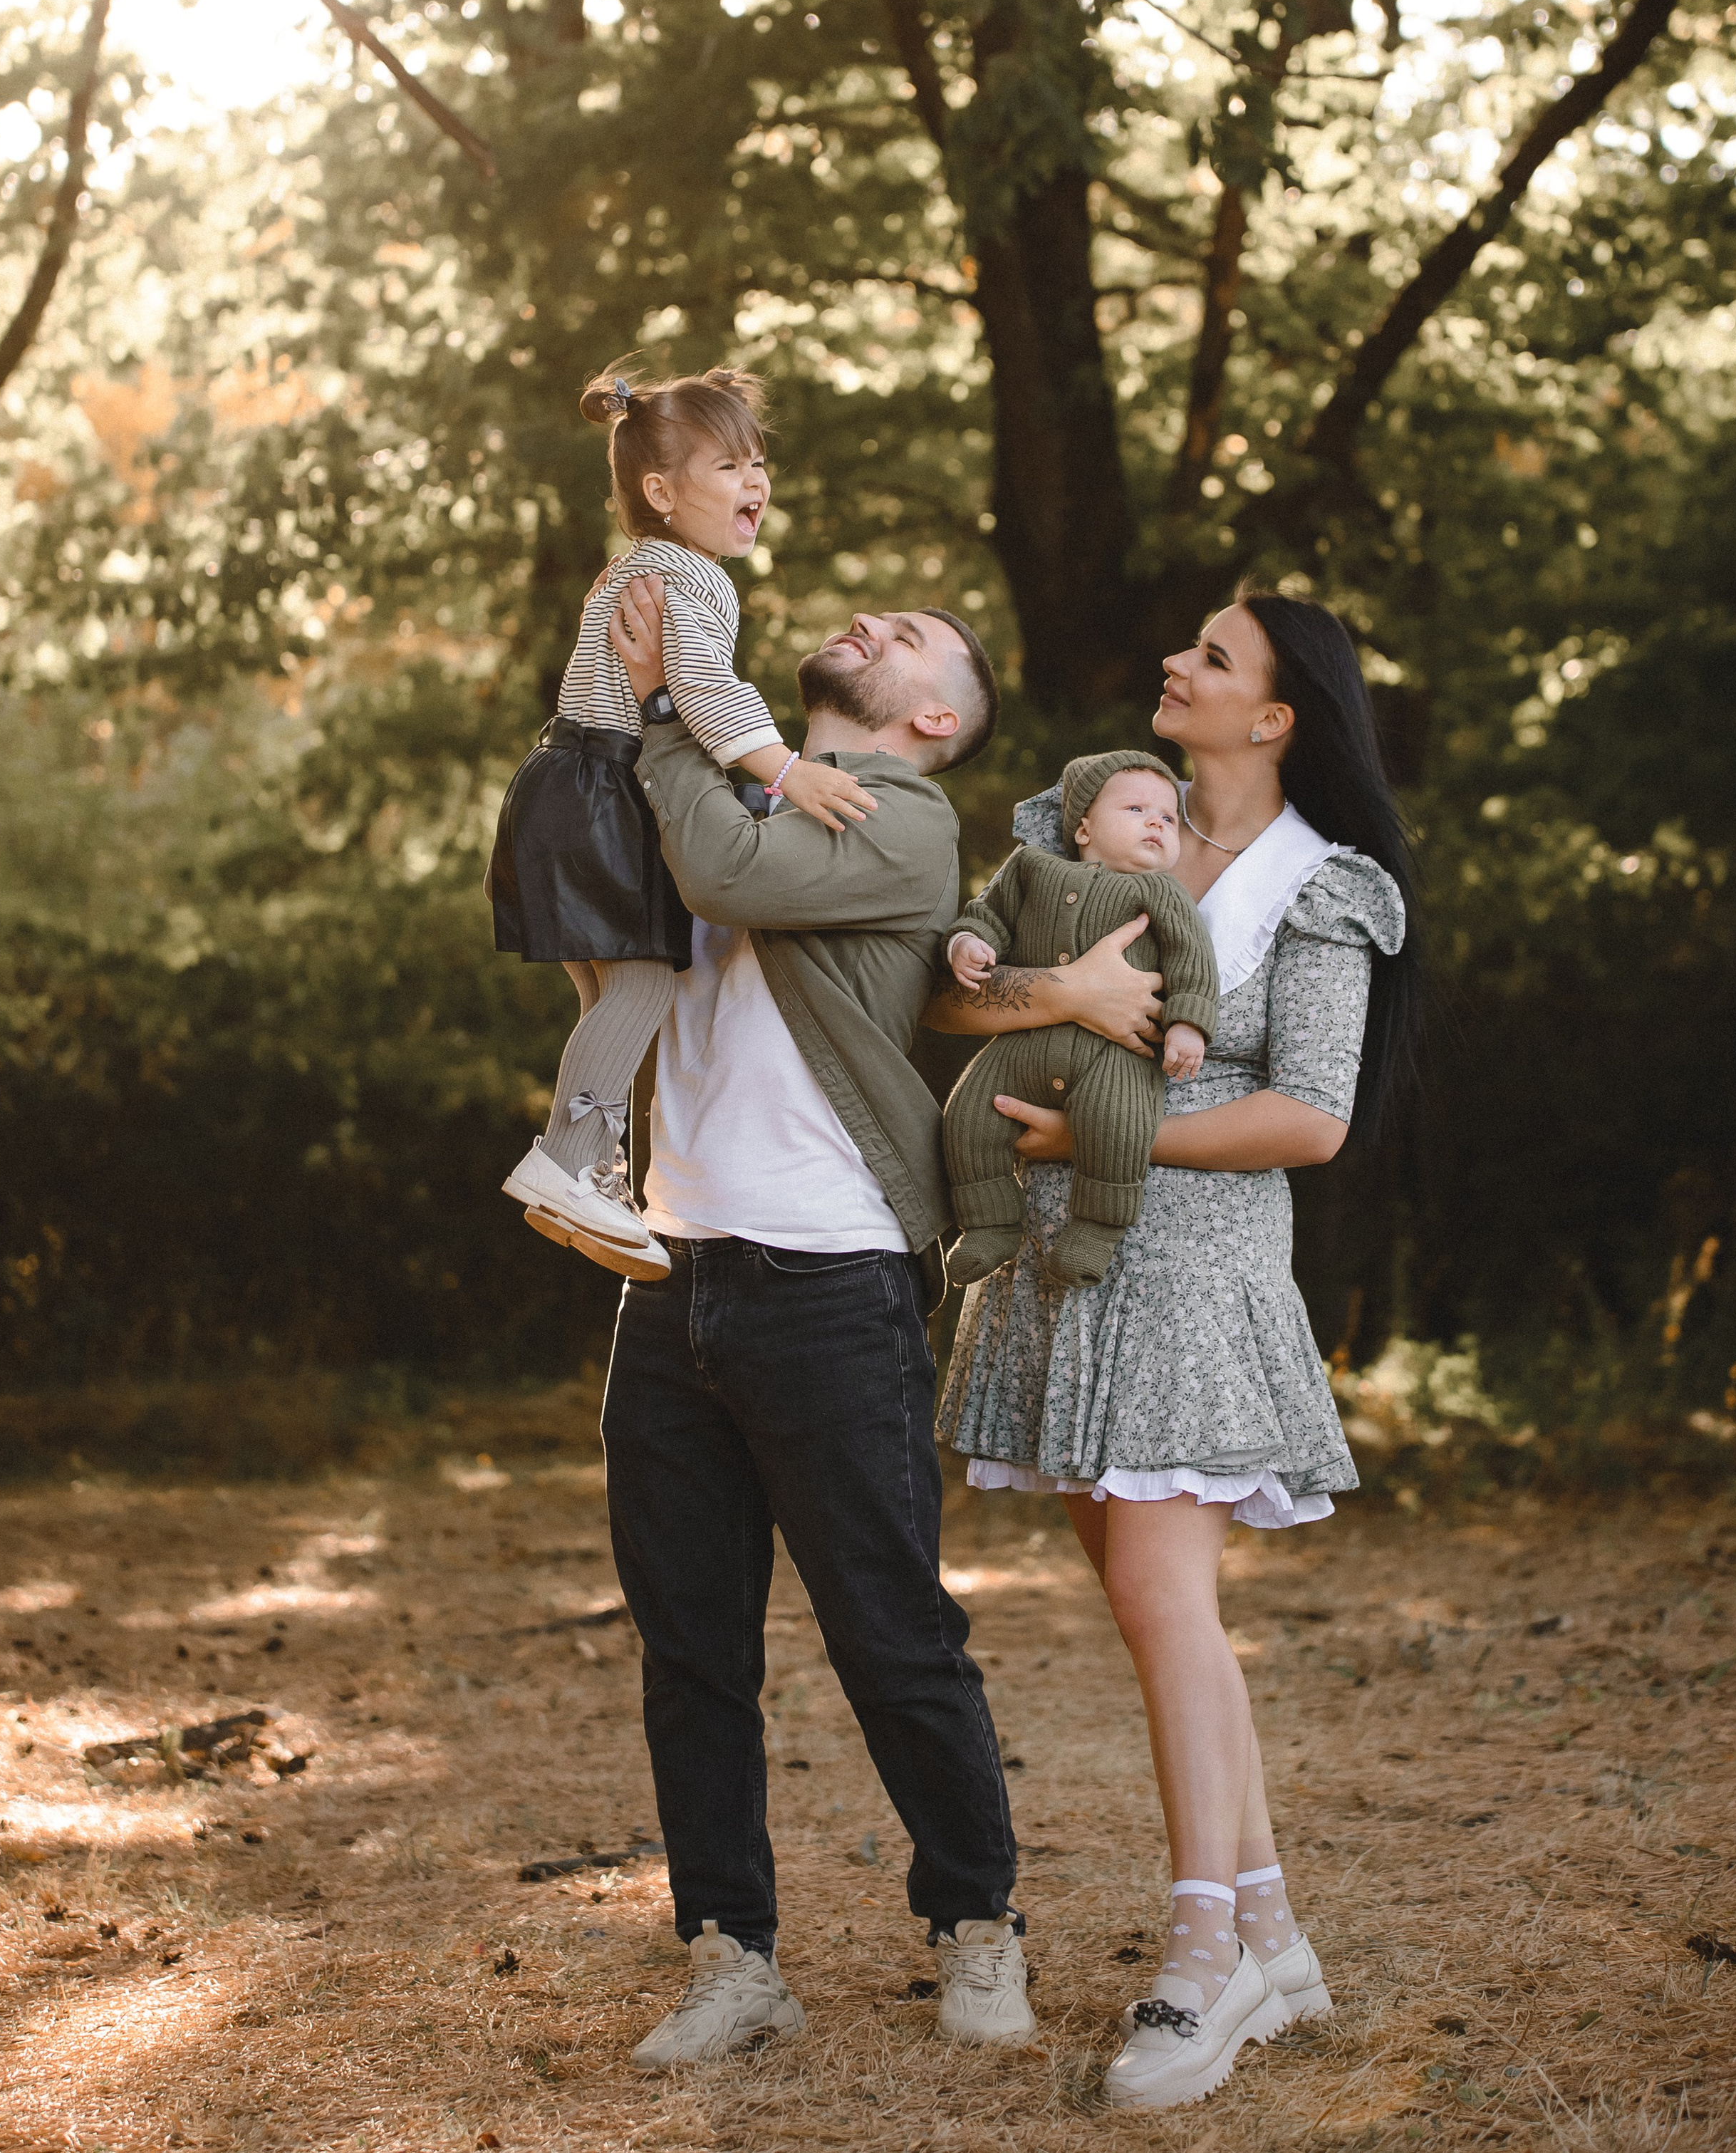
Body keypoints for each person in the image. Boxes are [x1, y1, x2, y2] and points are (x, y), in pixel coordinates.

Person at [930, 591, 1423, 2113]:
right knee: (1163, 1617)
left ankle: (1201, 1958)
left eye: (1213, 658)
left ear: (1273, 720)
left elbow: (1315, 1118)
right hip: (1054, 1269)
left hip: (1195, 1284)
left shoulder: (1317, 890)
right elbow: (958, 999)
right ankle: (1269, 1928)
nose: (1176, 665)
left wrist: (1109, 1126)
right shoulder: (1086, 832)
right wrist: (1047, 1004)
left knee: (1163, 1608)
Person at [591, 571, 1038, 2070]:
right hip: (672, 1266)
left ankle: (975, 1923)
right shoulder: (746, 773)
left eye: (907, 635)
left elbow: (718, 875)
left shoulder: (903, 819)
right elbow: (608, 881)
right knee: (691, 1648)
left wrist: (666, 714)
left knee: (889, 1631)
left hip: (829, 1279)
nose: (868, 618)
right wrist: (647, 704)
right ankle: (732, 1955)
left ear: (928, 715)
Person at [487, 365, 873, 1281]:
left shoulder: (638, 567)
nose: (756, 483)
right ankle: (563, 1162)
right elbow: (699, 687)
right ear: (661, 493)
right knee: (643, 988)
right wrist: (784, 771)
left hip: (568, 784)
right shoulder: (684, 572)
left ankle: (595, 1171)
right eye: (731, 466)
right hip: (602, 791)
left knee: (606, 994)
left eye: (758, 463)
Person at [940, 752, 1217, 1288]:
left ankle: (1096, 1228)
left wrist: (1189, 1024)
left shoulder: (1164, 893)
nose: (1157, 821)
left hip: (1115, 1054)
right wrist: (967, 942)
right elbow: (988, 913)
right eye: (1137, 808)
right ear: (1084, 826)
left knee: (1118, 1125)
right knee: (968, 1112)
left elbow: (1193, 960)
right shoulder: (1030, 867)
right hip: (1026, 1038)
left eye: (1168, 816)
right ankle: (989, 1221)